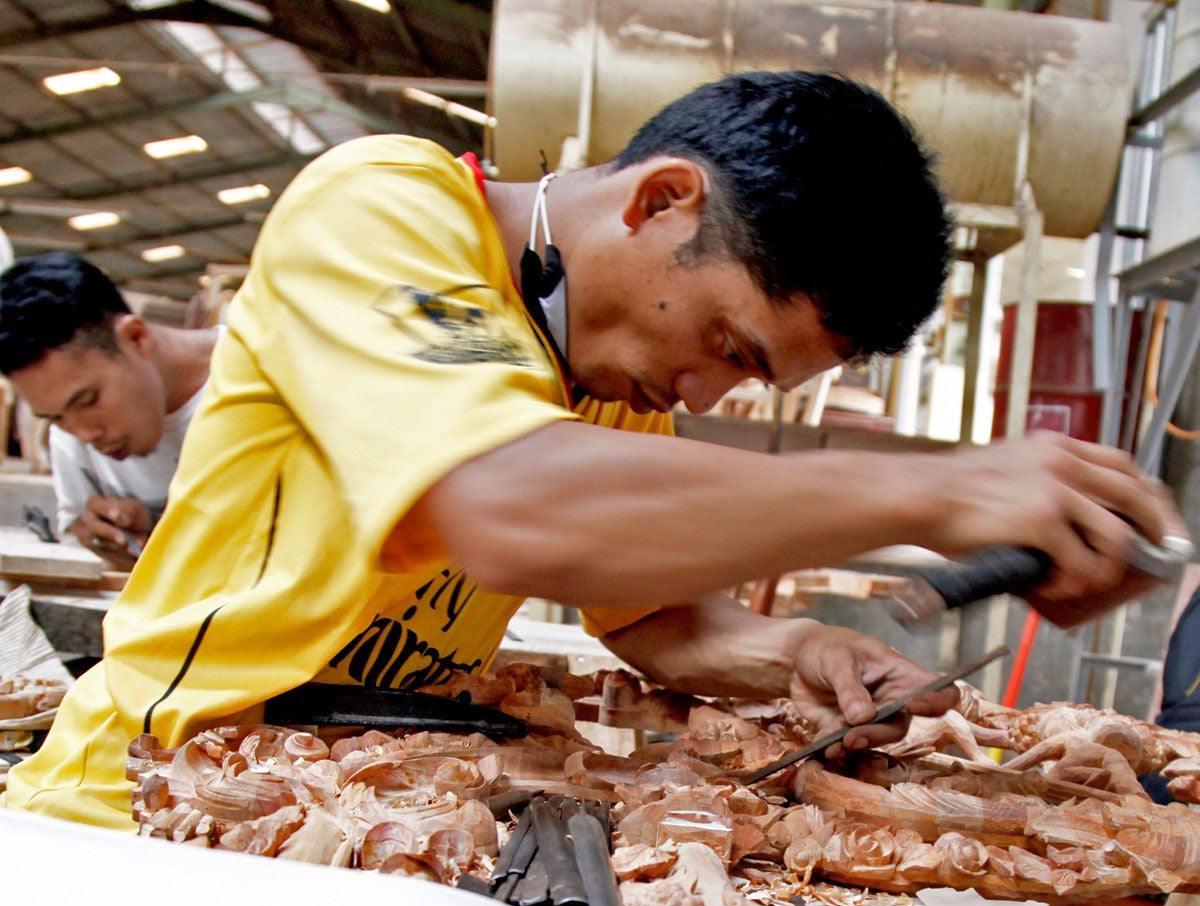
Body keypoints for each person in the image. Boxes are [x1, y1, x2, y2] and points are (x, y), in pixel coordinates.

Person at [2, 71, 1185, 831]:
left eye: (749, 377)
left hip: (345, 800)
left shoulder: (607, 378)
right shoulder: (386, 208)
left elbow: (657, 615)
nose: (703, 389)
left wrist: (804, 652)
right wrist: (941, 486)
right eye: (726, 342)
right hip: (149, 796)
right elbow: (508, 505)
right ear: (660, 200)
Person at [0, 252, 219, 562]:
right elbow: (86, 534)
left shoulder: (265, 379)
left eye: (89, 401)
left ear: (135, 337)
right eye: (55, 417)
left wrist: (161, 525)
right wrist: (100, 537)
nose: (84, 434)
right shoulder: (70, 435)